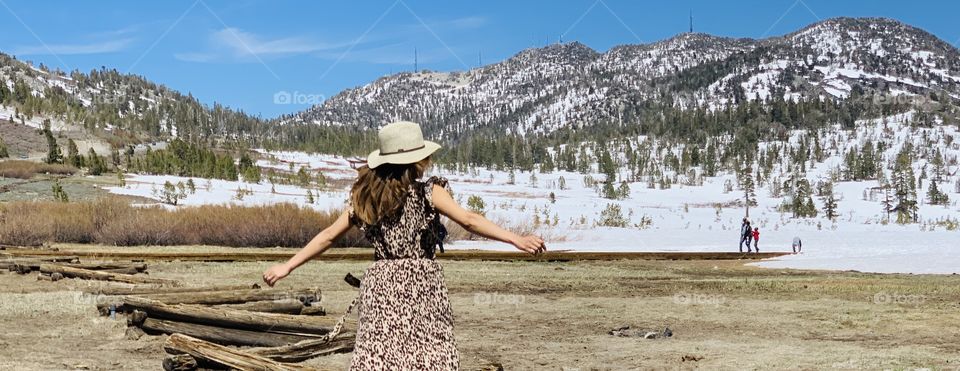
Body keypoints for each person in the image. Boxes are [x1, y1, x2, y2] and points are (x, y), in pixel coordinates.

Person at [262, 121, 546, 370]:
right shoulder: (428, 192)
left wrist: (287, 266)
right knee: (431, 357)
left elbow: (328, 236)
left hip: (381, 287)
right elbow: (469, 220)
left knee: (380, 359)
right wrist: (515, 238)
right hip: (421, 285)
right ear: (418, 160)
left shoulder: (366, 199)